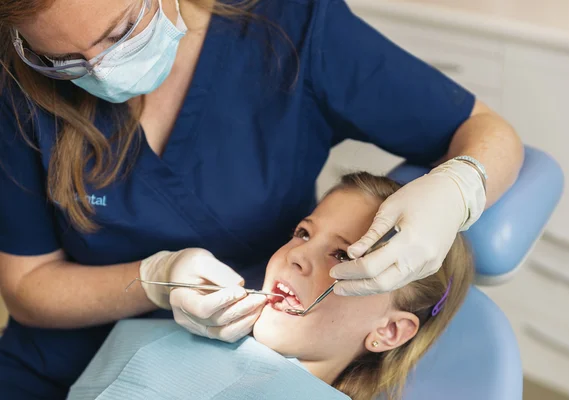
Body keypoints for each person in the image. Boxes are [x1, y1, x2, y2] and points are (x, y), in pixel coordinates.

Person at [0, 0, 522, 397]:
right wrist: (154, 279)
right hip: (50, 371)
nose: (102, 71)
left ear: (389, 330)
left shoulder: (290, 28)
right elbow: (27, 286)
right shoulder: (17, 87)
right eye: (65, 61)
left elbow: (485, 131)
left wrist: (458, 189)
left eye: (121, 31)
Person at [67, 173, 474, 400]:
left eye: (343, 255)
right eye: (303, 233)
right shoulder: (168, 334)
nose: (296, 256)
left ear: (388, 331)